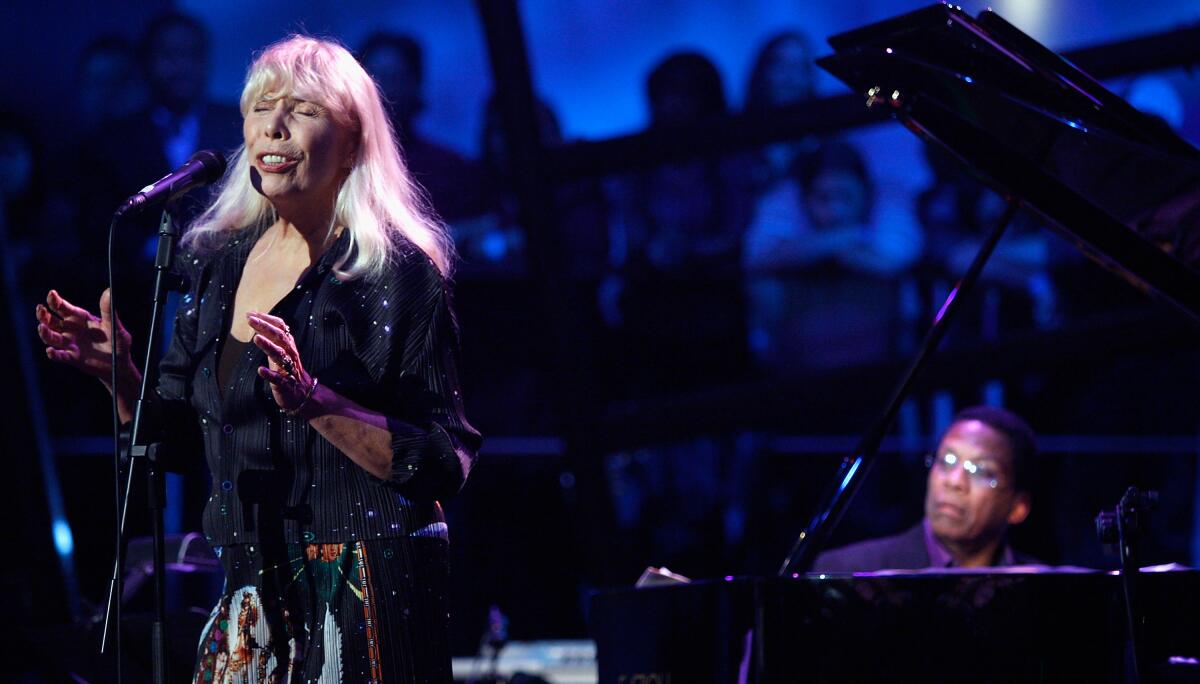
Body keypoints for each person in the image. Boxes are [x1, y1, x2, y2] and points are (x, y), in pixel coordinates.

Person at [37, 35, 481, 681]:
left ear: (353, 141)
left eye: (302, 110)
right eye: (260, 107)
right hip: (246, 573)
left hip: (367, 575)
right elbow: (185, 448)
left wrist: (319, 404)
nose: (272, 126)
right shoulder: (215, 263)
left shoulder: (396, 271)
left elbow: (443, 462)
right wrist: (120, 376)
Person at [812, 406, 1039, 571]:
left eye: (981, 471)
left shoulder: (1045, 590)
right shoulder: (847, 571)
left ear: (1018, 507)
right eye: (947, 461)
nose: (954, 481)